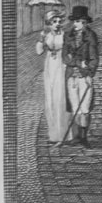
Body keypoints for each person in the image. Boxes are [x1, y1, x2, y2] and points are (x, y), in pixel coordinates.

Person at [63, 5, 100, 148]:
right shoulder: (68, 35)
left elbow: (94, 58)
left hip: (85, 77)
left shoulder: (91, 36)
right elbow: (65, 58)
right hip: (72, 76)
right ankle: (76, 136)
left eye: (84, 22)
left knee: (85, 108)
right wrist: (80, 63)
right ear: (74, 22)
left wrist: (90, 73)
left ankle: (84, 137)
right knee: (75, 107)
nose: (82, 25)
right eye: (79, 21)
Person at [35, 10, 70, 145]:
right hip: (50, 65)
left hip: (62, 65)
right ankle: (54, 134)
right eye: (54, 22)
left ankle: (64, 134)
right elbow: (38, 52)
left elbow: (70, 50)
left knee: (60, 96)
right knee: (50, 98)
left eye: (59, 21)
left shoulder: (65, 35)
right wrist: (41, 39)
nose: (57, 24)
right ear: (49, 23)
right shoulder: (46, 35)